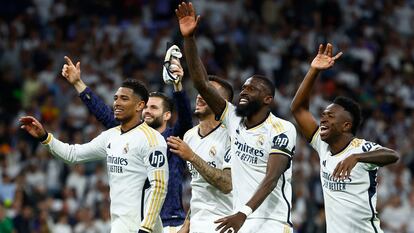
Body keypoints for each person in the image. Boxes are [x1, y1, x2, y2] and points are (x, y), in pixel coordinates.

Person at [176, 3, 297, 233]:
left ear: (267, 99)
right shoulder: (233, 120)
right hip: (240, 223)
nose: (244, 92)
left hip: (271, 222)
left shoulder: (282, 128)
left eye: (252, 89)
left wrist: (244, 213)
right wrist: (190, 39)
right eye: (243, 88)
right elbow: (201, 83)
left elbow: (271, 178)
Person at [61, 45, 193, 232]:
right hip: (137, 224)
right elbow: (103, 113)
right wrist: (78, 84)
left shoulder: (172, 139)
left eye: (154, 108)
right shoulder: (129, 136)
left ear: (167, 115)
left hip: (170, 222)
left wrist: (177, 85)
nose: (148, 111)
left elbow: (187, 118)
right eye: (146, 106)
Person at [20, 79, 168, 233]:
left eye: (124, 99)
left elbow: (159, 186)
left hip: (143, 226)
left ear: (140, 105)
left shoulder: (152, 140)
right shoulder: (111, 136)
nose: (117, 103)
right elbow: (73, 155)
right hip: (120, 224)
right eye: (116, 98)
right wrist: (45, 137)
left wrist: (145, 227)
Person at [290, 43, 399, 233]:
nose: (323, 119)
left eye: (330, 116)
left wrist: (357, 157)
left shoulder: (360, 148)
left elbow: (392, 155)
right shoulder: (322, 145)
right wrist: (314, 71)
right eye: (323, 115)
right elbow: (298, 109)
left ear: (346, 125)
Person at [167, 76, 234, 233]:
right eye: (200, 91)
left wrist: (192, 156)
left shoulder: (231, 136)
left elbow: (227, 184)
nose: (199, 95)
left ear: (221, 103)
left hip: (224, 223)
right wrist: (187, 224)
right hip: (197, 222)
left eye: (207, 92)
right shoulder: (190, 136)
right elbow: (198, 185)